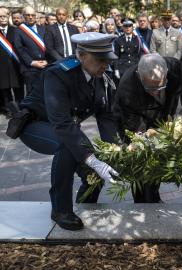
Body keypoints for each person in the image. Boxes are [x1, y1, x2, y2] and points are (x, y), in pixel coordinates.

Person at [18, 32, 121, 231]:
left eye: (107, 60)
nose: (105, 65)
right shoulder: (57, 73)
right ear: (81, 55)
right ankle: (60, 209)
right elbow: (62, 123)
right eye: (100, 60)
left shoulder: (100, 76)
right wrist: (91, 158)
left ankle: (86, 204)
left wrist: (115, 149)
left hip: (65, 127)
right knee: (69, 148)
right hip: (35, 124)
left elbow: (105, 115)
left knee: (94, 167)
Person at [114, 54, 182, 202]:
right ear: (139, 76)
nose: (156, 92)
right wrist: (147, 138)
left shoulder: (175, 67)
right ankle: (140, 202)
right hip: (132, 120)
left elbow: (176, 93)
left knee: (158, 159)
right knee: (139, 160)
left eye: (160, 86)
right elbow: (136, 130)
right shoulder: (127, 87)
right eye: (150, 88)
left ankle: (154, 196)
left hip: (161, 115)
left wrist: (168, 126)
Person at [0, 7, 24, 115]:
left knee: (18, 88)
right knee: (5, 89)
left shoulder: (15, 30)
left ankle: (20, 108)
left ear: (8, 17)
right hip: (0, 65)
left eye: (5, 16)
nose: (3, 18)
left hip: (15, 64)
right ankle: (9, 110)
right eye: (0, 16)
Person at [14, 6, 47, 105]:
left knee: (46, 92)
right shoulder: (19, 30)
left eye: (33, 15)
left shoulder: (44, 29)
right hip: (30, 67)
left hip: (45, 65)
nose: (31, 17)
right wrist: (32, 62)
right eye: (28, 15)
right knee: (32, 94)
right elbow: (19, 49)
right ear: (23, 17)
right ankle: (33, 115)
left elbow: (49, 46)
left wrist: (47, 60)